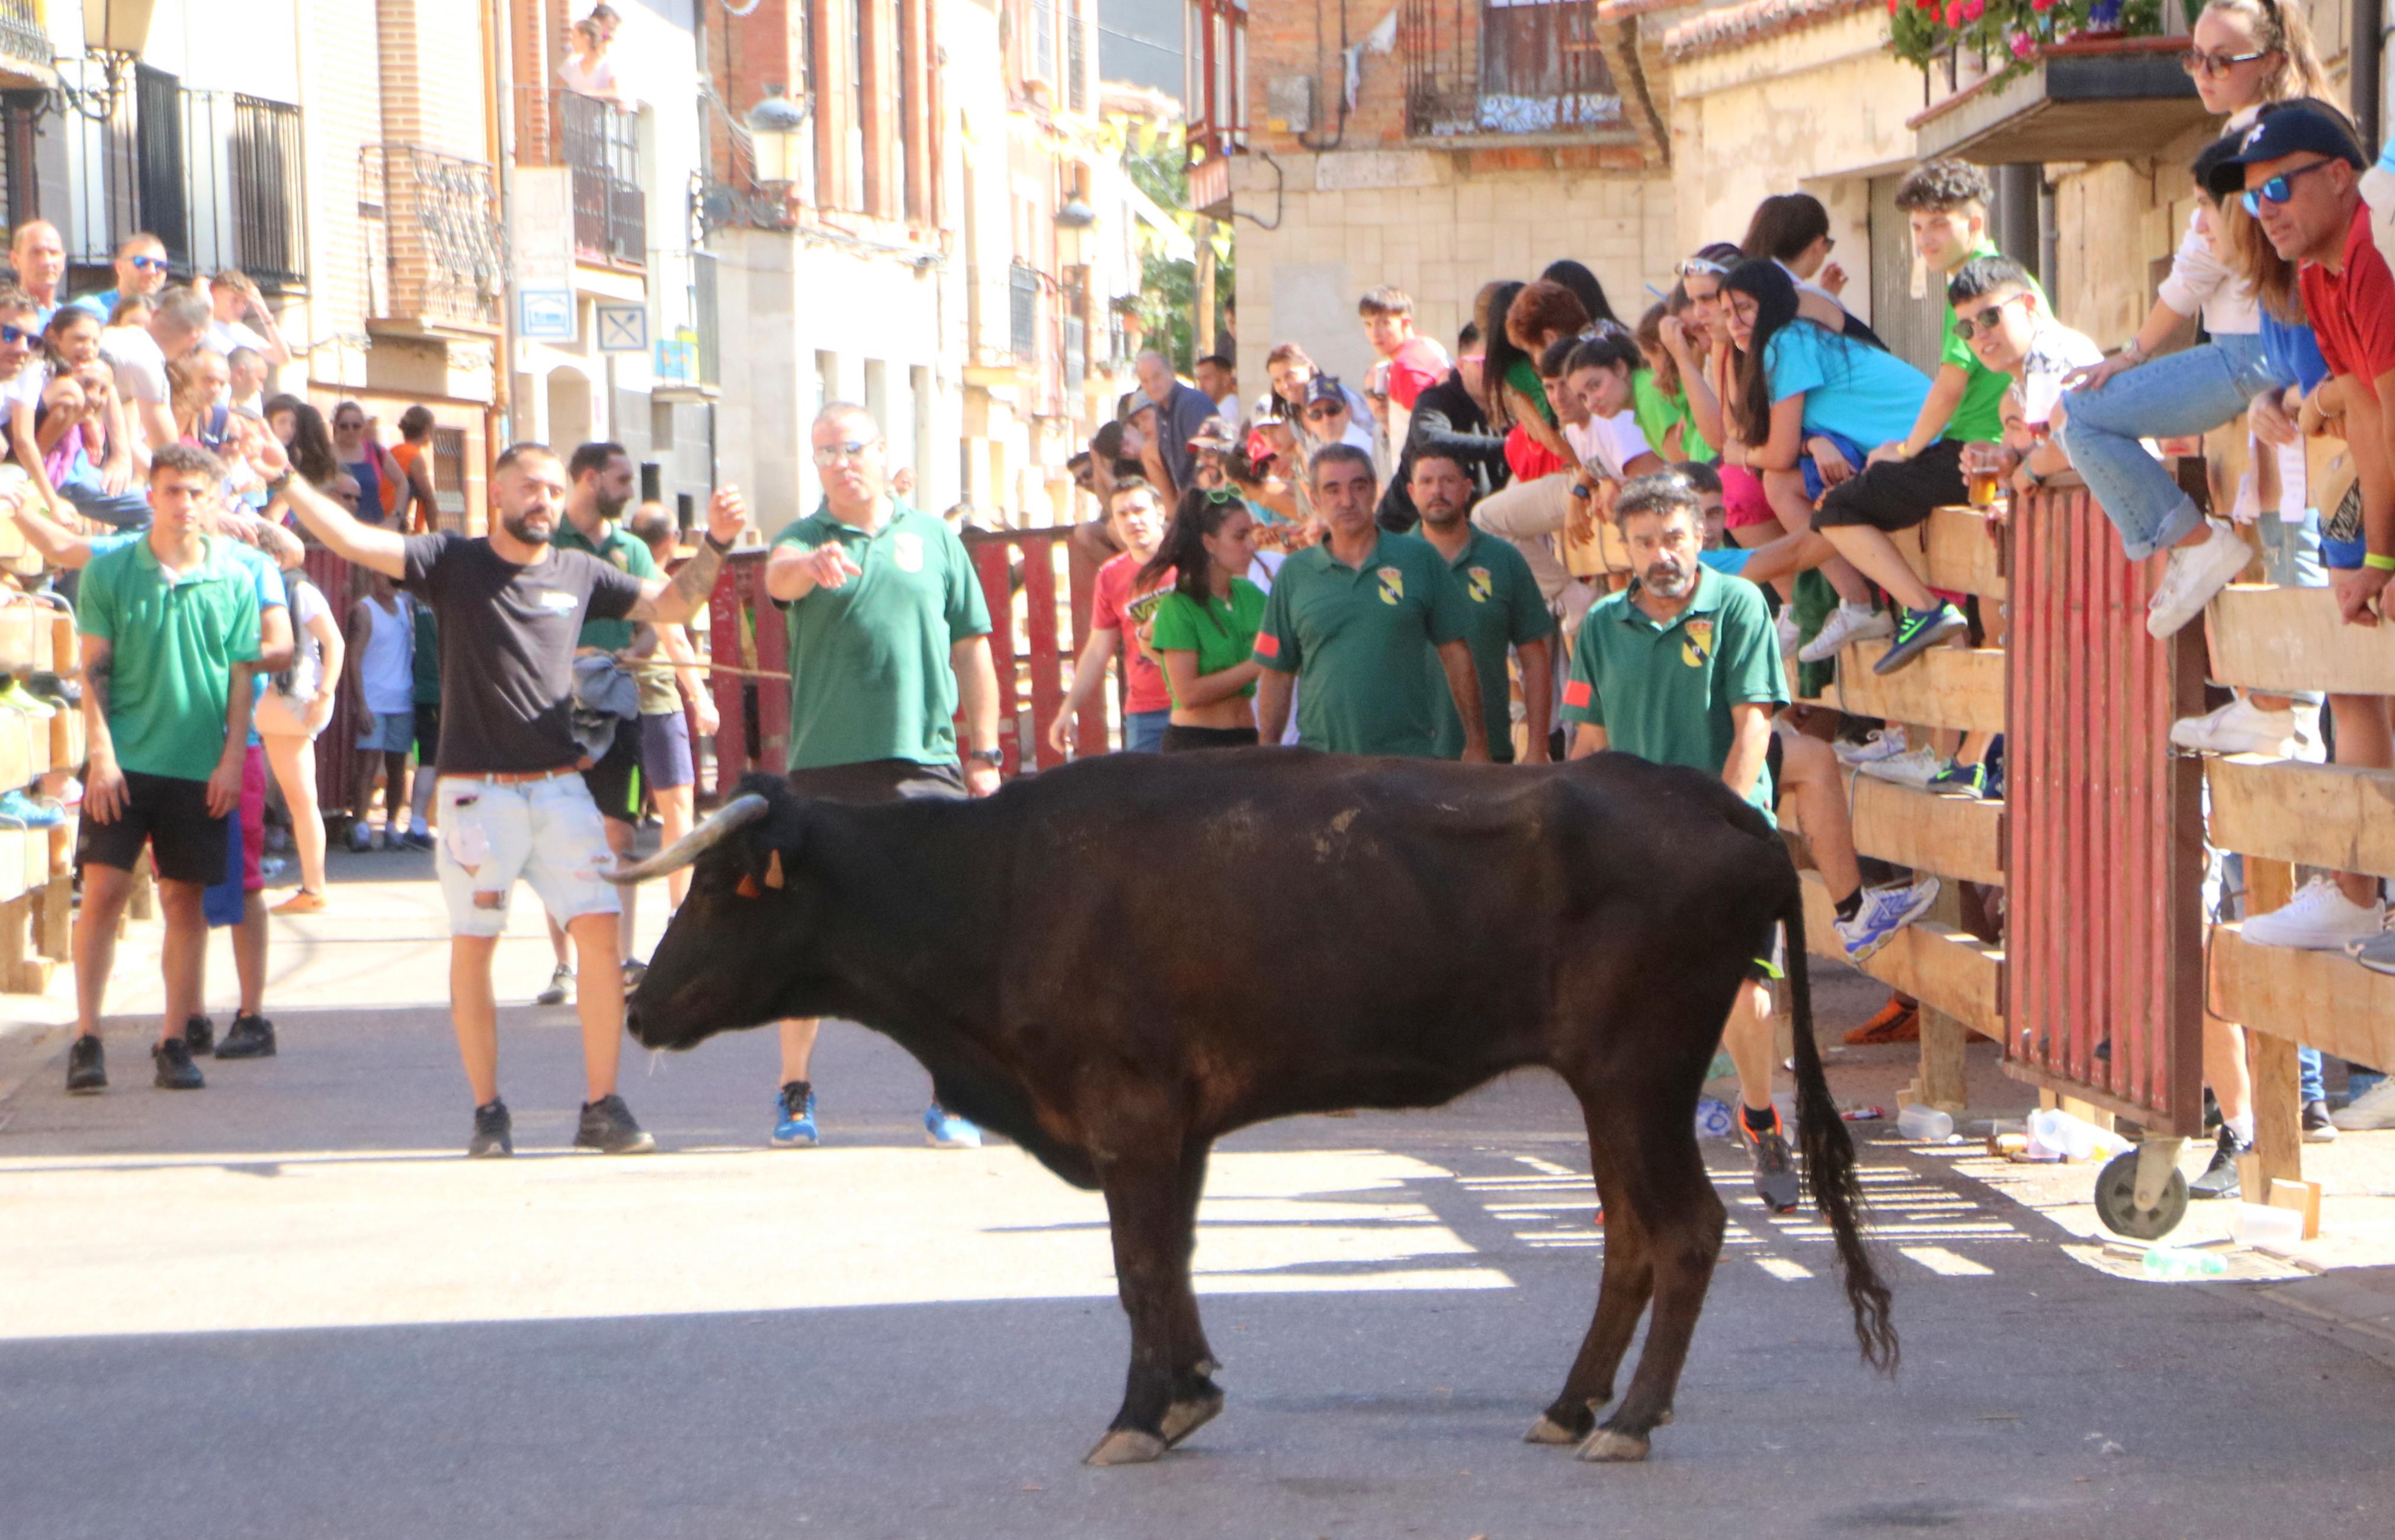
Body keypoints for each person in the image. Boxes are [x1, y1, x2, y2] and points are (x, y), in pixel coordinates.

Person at [277, 435, 740, 1157]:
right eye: (529, 487)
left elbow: (676, 602)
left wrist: (714, 542)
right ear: (496, 493)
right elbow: (349, 537)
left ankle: (601, 1106)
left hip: (560, 789)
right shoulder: (451, 561)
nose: (543, 501)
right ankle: (488, 1111)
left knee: (597, 933)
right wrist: (284, 477)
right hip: (476, 799)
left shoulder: (580, 570)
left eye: (554, 491)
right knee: (475, 945)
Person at [1559, 472, 1936, 1208]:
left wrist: (1727, 824)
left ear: (1701, 535)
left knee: (1745, 995)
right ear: (1624, 546)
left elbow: (1754, 725)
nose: (1660, 553)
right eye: (1643, 542)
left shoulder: (1736, 604)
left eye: (1673, 537)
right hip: (1633, 843)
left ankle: (1760, 1115)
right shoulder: (1601, 624)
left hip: (1722, 836)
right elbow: (1590, 741)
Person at [761, 402, 1003, 1152]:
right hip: (827, 764)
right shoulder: (805, 538)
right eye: (825, 452)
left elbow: (973, 650)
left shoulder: (932, 538)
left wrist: (985, 756)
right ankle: (794, 1093)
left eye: (851, 447)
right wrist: (810, 565)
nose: (839, 462)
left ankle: (951, 1095)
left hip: (922, 759)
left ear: (883, 450)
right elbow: (780, 577)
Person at [2061, 7, 2331, 639]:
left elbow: (2196, 270)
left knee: (2084, 414)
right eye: (2194, 57)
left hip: (2256, 350)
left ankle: (2191, 543)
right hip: (2282, 352)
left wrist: (2129, 353)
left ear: (2269, 61)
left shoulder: (2253, 142)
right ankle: (2270, 703)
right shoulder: (2297, 122)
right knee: (2279, 522)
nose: (2201, 73)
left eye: (2219, 60)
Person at [2211, 100, 2395, 964]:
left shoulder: (2370, 250)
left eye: (2279, 186)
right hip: (2367, 473)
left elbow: (2381, 411)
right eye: (2253, 199)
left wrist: (2384, 555)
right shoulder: (2319, 276)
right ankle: (2357, 893)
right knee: (2349, 664)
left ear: (2338, 175)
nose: (2267, 210)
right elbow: (2357, 411)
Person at [62, 444, 264, 1095]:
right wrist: (100, 756)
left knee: (185, 902)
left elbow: (240, 677)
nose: (184, 504)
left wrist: (232, 759)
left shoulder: (233, 579)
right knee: (103, 894)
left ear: (215, 501)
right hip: (123, 763)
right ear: (151, 493)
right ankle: (87, 1034)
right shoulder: (112, 572)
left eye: (197, 493)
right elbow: (95, 670)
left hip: (197, 765)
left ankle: (174, 1037)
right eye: (172, 490)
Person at [1804, 161, 2048, 673]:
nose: (1924, 239)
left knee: (1837, 509)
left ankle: (1923, 609)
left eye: (1938, 223)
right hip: (2002, 451)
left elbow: (1949, 386)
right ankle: (1971, 741)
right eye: (1917, 227)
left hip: (1982, 453)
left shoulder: (1975, 286)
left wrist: (1905, 450)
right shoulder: (2001, 273)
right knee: (1992, 594)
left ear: (1974, 224)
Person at [1717, 258, 1928, 656]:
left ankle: (1858, 604)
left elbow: (1774, 452)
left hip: (1928, 448)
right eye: (1727, 313)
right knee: (1780, 483)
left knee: (1777, 480)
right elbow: (1769, 435)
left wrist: (1743, 454)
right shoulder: (1784, 343)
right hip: (1898, 452)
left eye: (1744, 307)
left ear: (1774, 303)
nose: (1734, 322)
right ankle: (1858, 604)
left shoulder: (1786, 343)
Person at [1252, 444, 1487, 761]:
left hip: (1408, 760)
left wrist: (1477, 742)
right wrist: (1267, 754)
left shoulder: (1419, 559)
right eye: (1333, 490)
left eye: (1358, 487)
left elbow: (1456, 653)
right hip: (1322, 762)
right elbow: (1277, 672)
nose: (1347, 501)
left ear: (1374, 491)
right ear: (1315, 500)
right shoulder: (1295, 573)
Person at [1409, 448, 1555, 763]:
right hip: (1407, 760)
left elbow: (1535, 657)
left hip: (1488, 756)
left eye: (1448, 480)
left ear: (1467, 488)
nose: (1437, 491)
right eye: (1426, 482)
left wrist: (1536, 749)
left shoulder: (1504, 559)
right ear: (1411, 492)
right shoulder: (1391, 562)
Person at [627, 502, 719, 910]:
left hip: (613, 703)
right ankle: (678, 906)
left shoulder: (614, 569)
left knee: (617, 820)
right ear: (672, 540)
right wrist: (700, 697)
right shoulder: (657, 580)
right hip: (658, 703)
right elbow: (675, 641)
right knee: (677, 808)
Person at [1050, 477, 1174, 755]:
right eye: (1123, 514)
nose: (1133, 521)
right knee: (1146, 796)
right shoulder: (1111, 575)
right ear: (1114, 524)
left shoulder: (1189, 563)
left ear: (1160, 513)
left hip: (1197, 702)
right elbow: (1097, 650)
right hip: (1146, 710)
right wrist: (1069, 708)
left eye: (1140, 511)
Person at [1144, 487, 1268, 750]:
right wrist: (1258, 664)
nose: (1252, 545)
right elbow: (1188, 694)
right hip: (1196, 743)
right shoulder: (1178, 605)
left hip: (1247, 738)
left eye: (1252, 534)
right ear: (1209, 543)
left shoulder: (1252, 596)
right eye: (1240, 537)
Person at [258, 537, 344, 912]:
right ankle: (313, 887)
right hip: (286, 699)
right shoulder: (292, 586)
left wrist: (325, 692)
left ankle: (313, 888)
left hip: (288, 699)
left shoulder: (297, 589)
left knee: (300, 798)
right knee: (299, 797)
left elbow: (334, 642)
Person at [345, 566, 416, 852]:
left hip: (403, 700)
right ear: (375, 576)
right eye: (388, 576)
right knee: (368, 764)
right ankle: (361, 825)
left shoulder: (403, 607)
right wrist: (361, 703)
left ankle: (391, 825)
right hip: (374, 701)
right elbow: (354, 657)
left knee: (399, 767)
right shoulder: (364, 610)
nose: (393, 583)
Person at [102, 284, 210, 461]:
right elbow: (169, 454)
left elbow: (133, 445)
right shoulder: (148, 361)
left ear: (154, 315)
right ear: (195, 337)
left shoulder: (113, 335)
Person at [1358, 285, 1451, 448]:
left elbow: (1427, 435)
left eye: (1384, 323)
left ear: (1406, 323)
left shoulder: (1408, 366)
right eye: (1368, 324)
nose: (1375, 333)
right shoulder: (1427, 345)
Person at [1133, 350, 1218, 497]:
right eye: (1145, 381)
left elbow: (1211, 459)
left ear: (1172, 373)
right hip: (1188, 499)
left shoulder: (1192, 404)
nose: (1152, 386)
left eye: (1157, 377)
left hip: (1209, 500)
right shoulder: (1161, 411)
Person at [332, 401, 411, 528]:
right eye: (344, 426)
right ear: (335, 426)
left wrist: (396, 517)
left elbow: (402, 483)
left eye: (356, 426)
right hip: (337, 530)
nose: (350, 431)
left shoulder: (375, 451)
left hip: (374, 527)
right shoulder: (326, 454)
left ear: (364, 426)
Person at [202, 269, 293, 374]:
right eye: (234, 301)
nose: (241, 308)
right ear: (214, 297)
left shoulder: (243, 333)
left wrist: (265, 314)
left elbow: (283, 359)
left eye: (245, 303)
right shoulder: (203, 327)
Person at [72, 232, 172, 324]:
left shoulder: (168, 319)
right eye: (142, 263)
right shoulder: (89, 311)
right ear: (120, 267)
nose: (152, 272)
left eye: (160, 265)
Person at [392, 404, 443, 532]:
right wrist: (435, 538)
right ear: (426, 431)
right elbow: (428, 499)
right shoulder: (414, 457)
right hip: (393, 525)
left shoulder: (392, 452)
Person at [557, 17, 628, 104]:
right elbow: (555, 93)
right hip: (573, 117)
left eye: (575, 36)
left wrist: (587, 94)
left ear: (586, 38)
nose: (572, 41)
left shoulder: (606, 65)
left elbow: (615, 93)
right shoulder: (571, 64)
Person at [9, 218, 65, 323]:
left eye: (54, 252)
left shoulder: (73, 321)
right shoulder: (6, 321)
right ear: (15, 260)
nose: (47, 262)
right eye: (36, 253)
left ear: (63, 261)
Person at [1194, 354, 1239, 426]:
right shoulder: (1218, 409)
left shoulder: (1228, 411)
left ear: (1226, 379)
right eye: (1199, 380)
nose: (1201, 386)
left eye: (1207, 378)